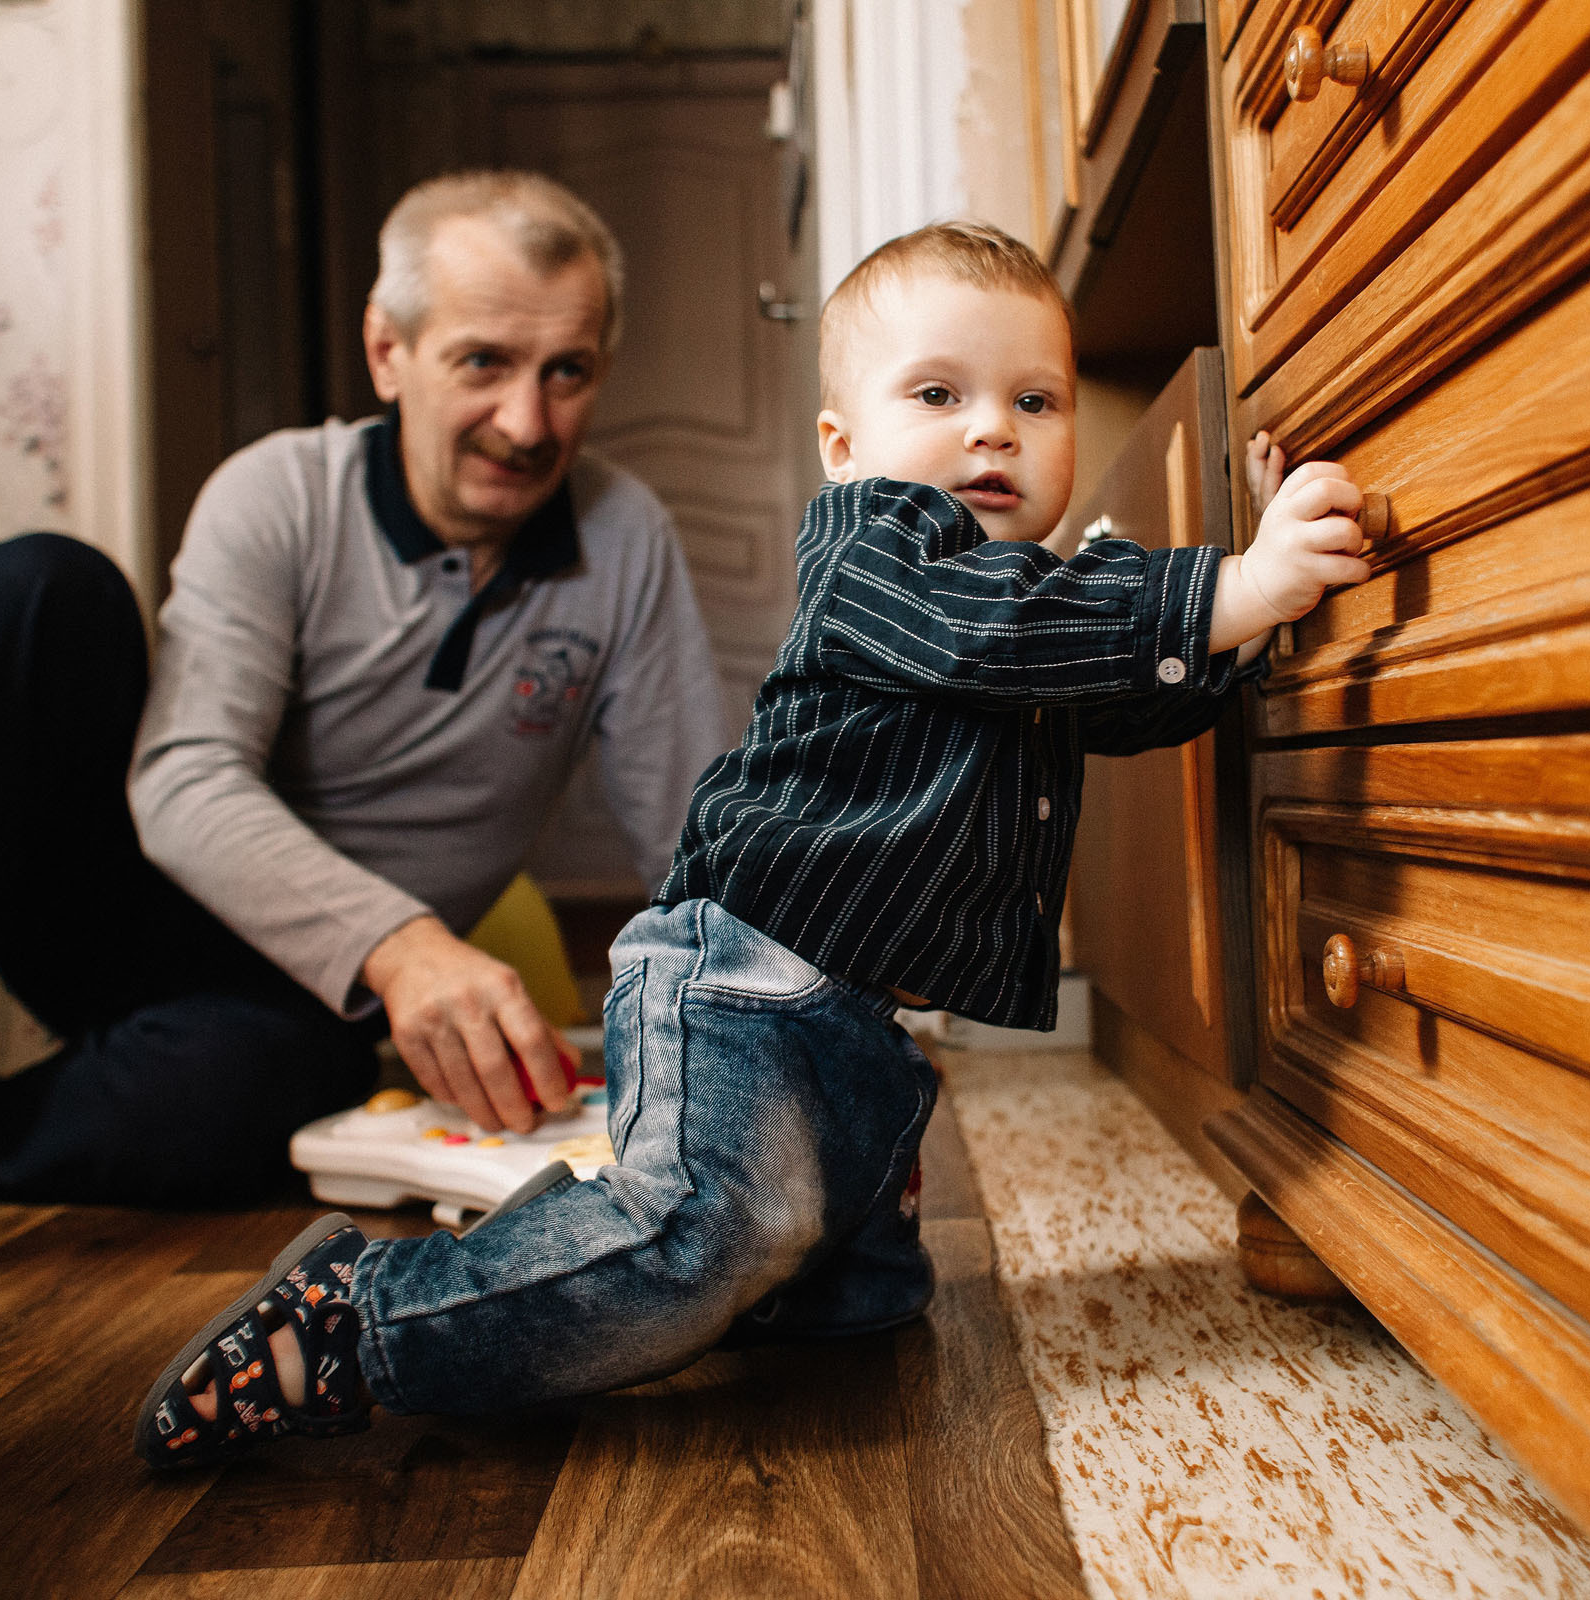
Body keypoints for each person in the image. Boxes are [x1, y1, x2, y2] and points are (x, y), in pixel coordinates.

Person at [131, 219, 1371, 1467]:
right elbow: (984, 632)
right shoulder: (877, 557)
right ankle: (356, 1321)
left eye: (1034, 401)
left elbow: (1120, 690)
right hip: (740, 980)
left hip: (852, 1016)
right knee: (705, 1238)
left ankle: (633, 1256)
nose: (993, 427)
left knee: (855, 1296)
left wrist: (1262, 611)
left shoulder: (1030, 598)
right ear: (845, 448)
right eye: (940, 394)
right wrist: (1232, 586)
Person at [0, 171, 728, 1257]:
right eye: (483, 362)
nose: (526, 423)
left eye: (567, 372)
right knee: (39, 587)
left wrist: (805, 1017)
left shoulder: (624, 536)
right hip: (135, 905)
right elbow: (185, 775)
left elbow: (697, 831)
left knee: (255, 1102)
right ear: (388, 351)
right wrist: (403, 947)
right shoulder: (278, 493)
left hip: (295, 1009)